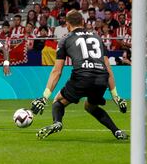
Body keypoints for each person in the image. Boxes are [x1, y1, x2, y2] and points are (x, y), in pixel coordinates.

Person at [31, 10, 128, 140]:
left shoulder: (65, 40)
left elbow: (57, 71)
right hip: (101, 78)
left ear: (67, 24)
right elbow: (108, 68)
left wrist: (44, 97)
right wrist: (116, 97)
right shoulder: (97, 38)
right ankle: (117, 131)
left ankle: (57, 123)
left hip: (81, 77)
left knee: (58, 101)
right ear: (83, 22)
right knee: (90, 106)